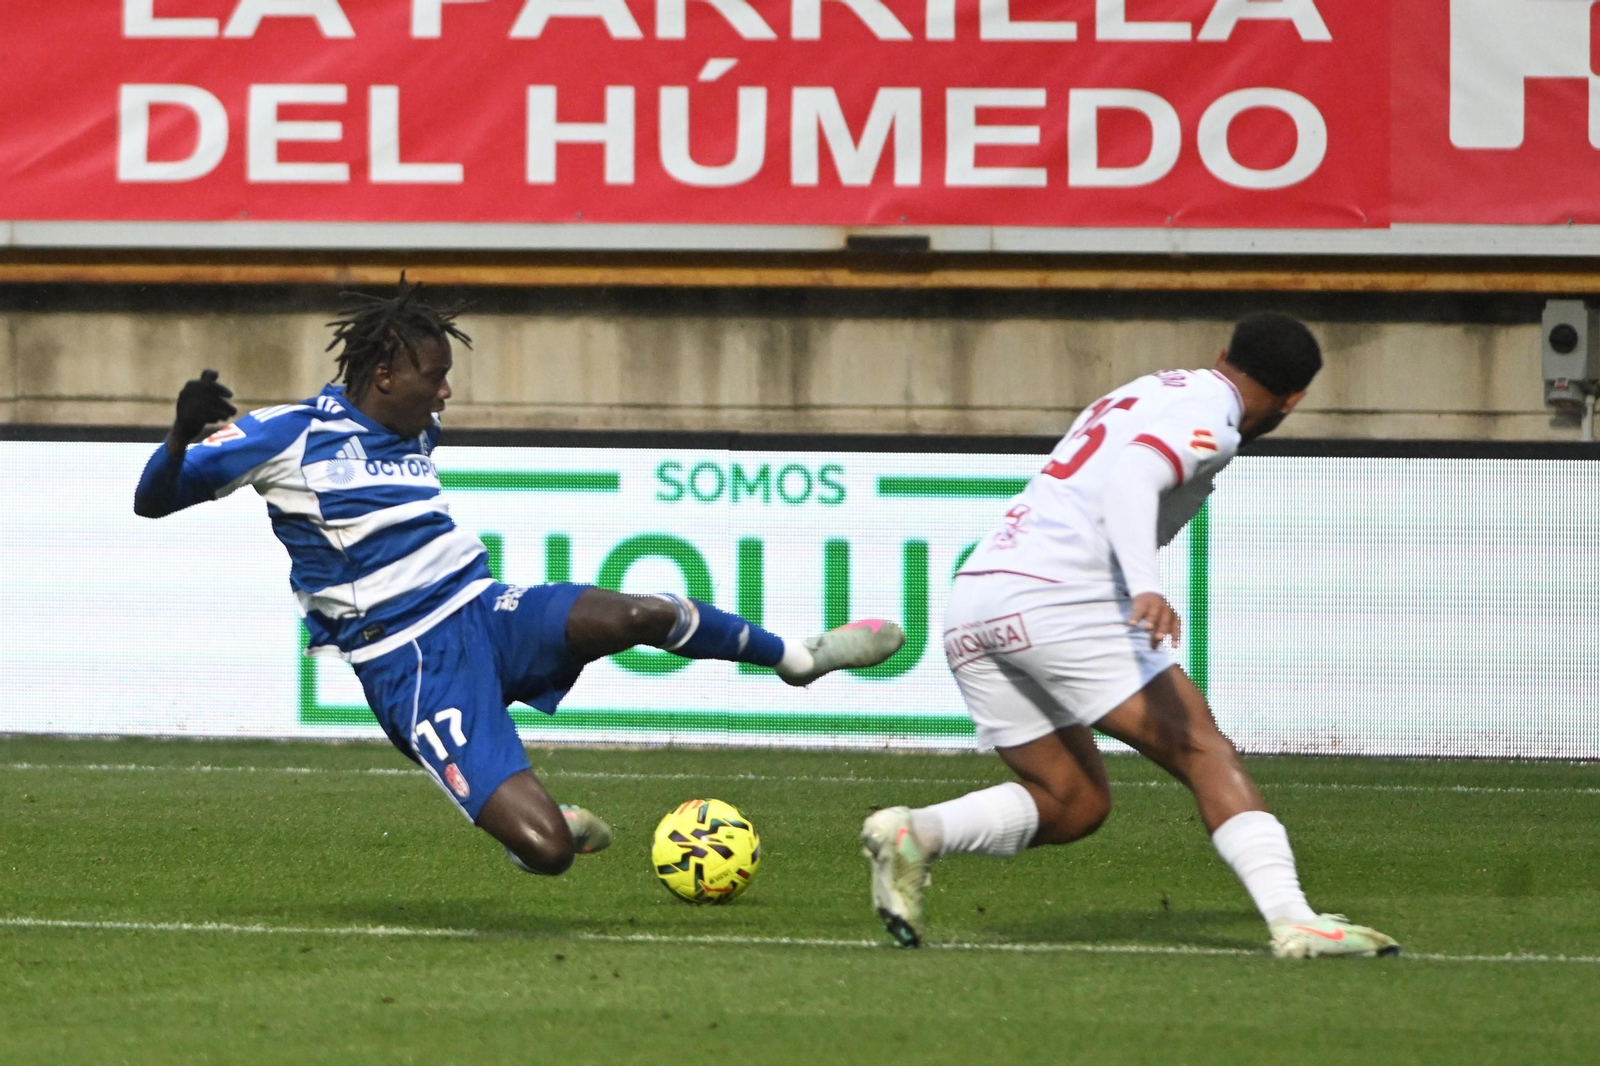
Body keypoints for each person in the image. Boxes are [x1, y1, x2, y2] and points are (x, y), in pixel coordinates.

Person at [134, 276, 904, 877]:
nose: (446, 392)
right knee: (549, 854)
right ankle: (538, 827)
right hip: (411, 664)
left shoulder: (416, 426)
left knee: (639, 614)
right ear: (384, 375)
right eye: (434, 376)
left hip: (484, 608)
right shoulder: (288, 434)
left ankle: (796, 658)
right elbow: (152, 500)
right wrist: (178, 436)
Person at [860, 313, 1399, 959]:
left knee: (1074, 800)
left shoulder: (1151, 388)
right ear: (1294, 400)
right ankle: (1294, 919)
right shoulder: (1216, 422)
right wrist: (1144, 584)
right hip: (1059, 596)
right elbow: (1136, 473)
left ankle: (916, 834)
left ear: (1222, 354)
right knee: (1203, 751)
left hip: (977, 597)